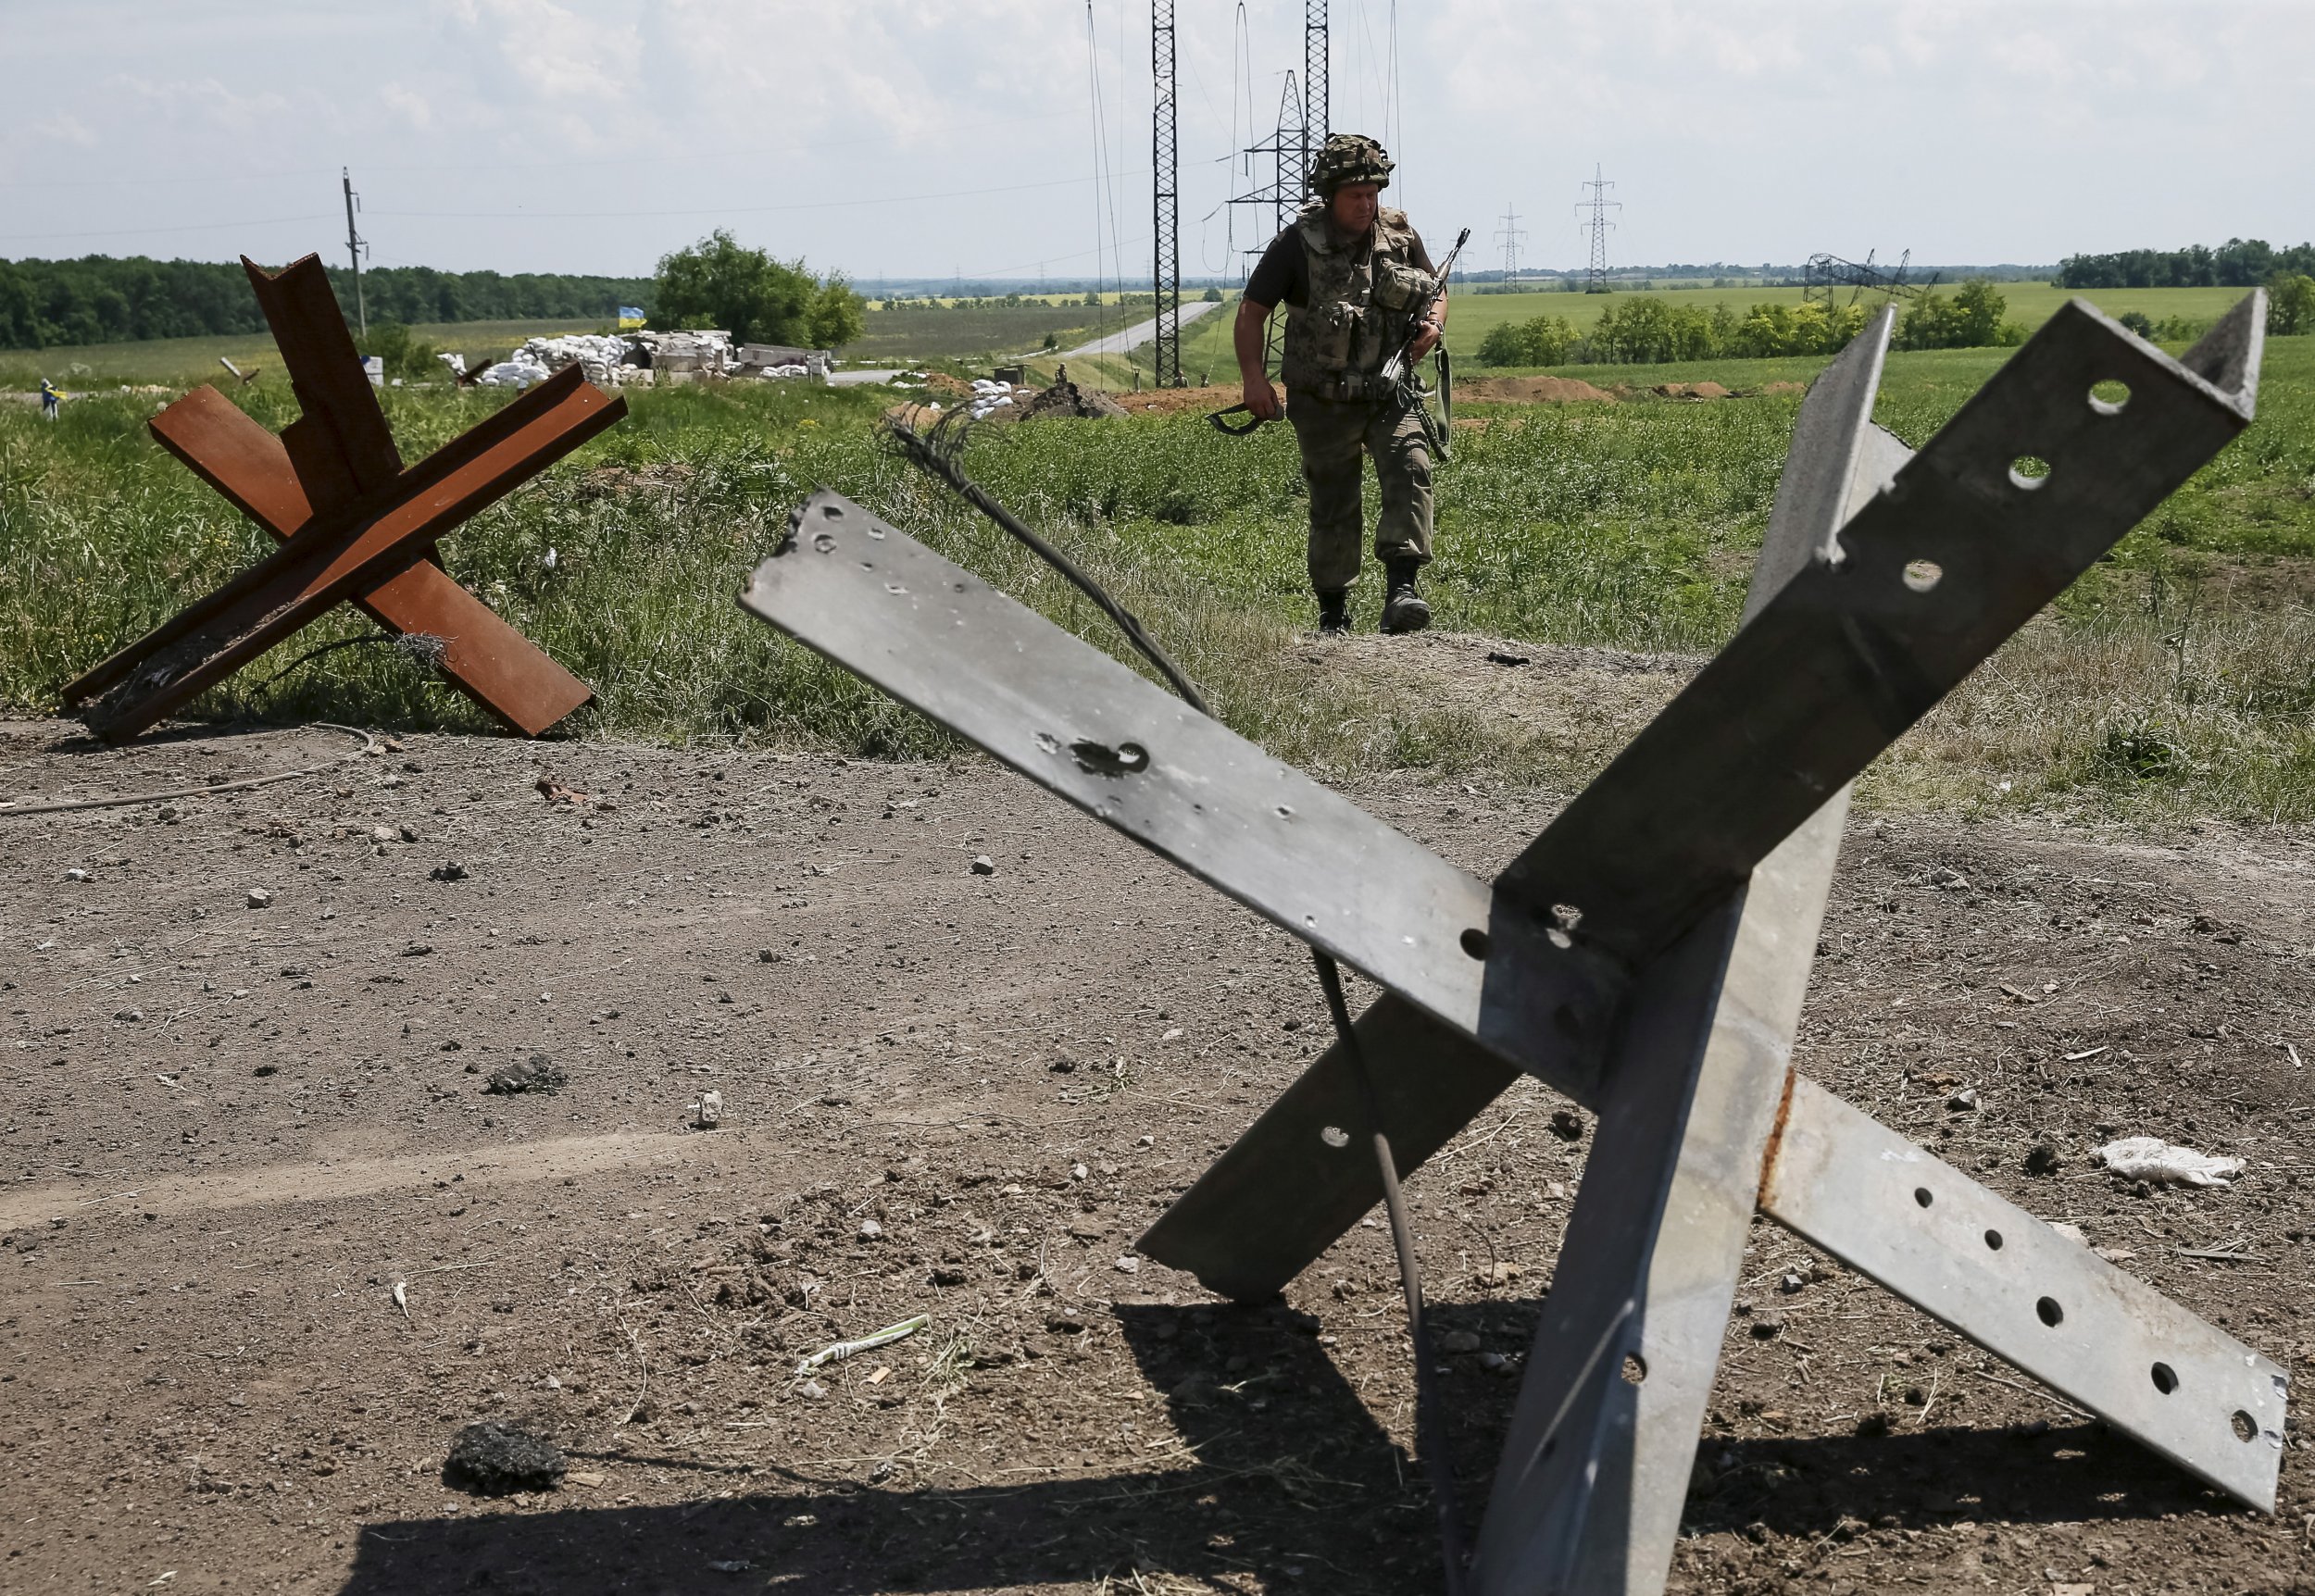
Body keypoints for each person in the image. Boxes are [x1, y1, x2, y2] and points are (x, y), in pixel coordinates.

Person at [1233, 132, 1446, 635]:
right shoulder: (1297, 244)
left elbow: (1437, 290)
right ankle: (1334, 611)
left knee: (1410, 469)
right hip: (1321, 399)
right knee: (1334, 502)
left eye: (1372, 193)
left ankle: (1402, 591)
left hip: (1388, 392)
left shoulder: (1399, 236)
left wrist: (1433, 325)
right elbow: (1251, 312)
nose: (1366, 204)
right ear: (1329, 195)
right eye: (1355, 195)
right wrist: (1252, 380)